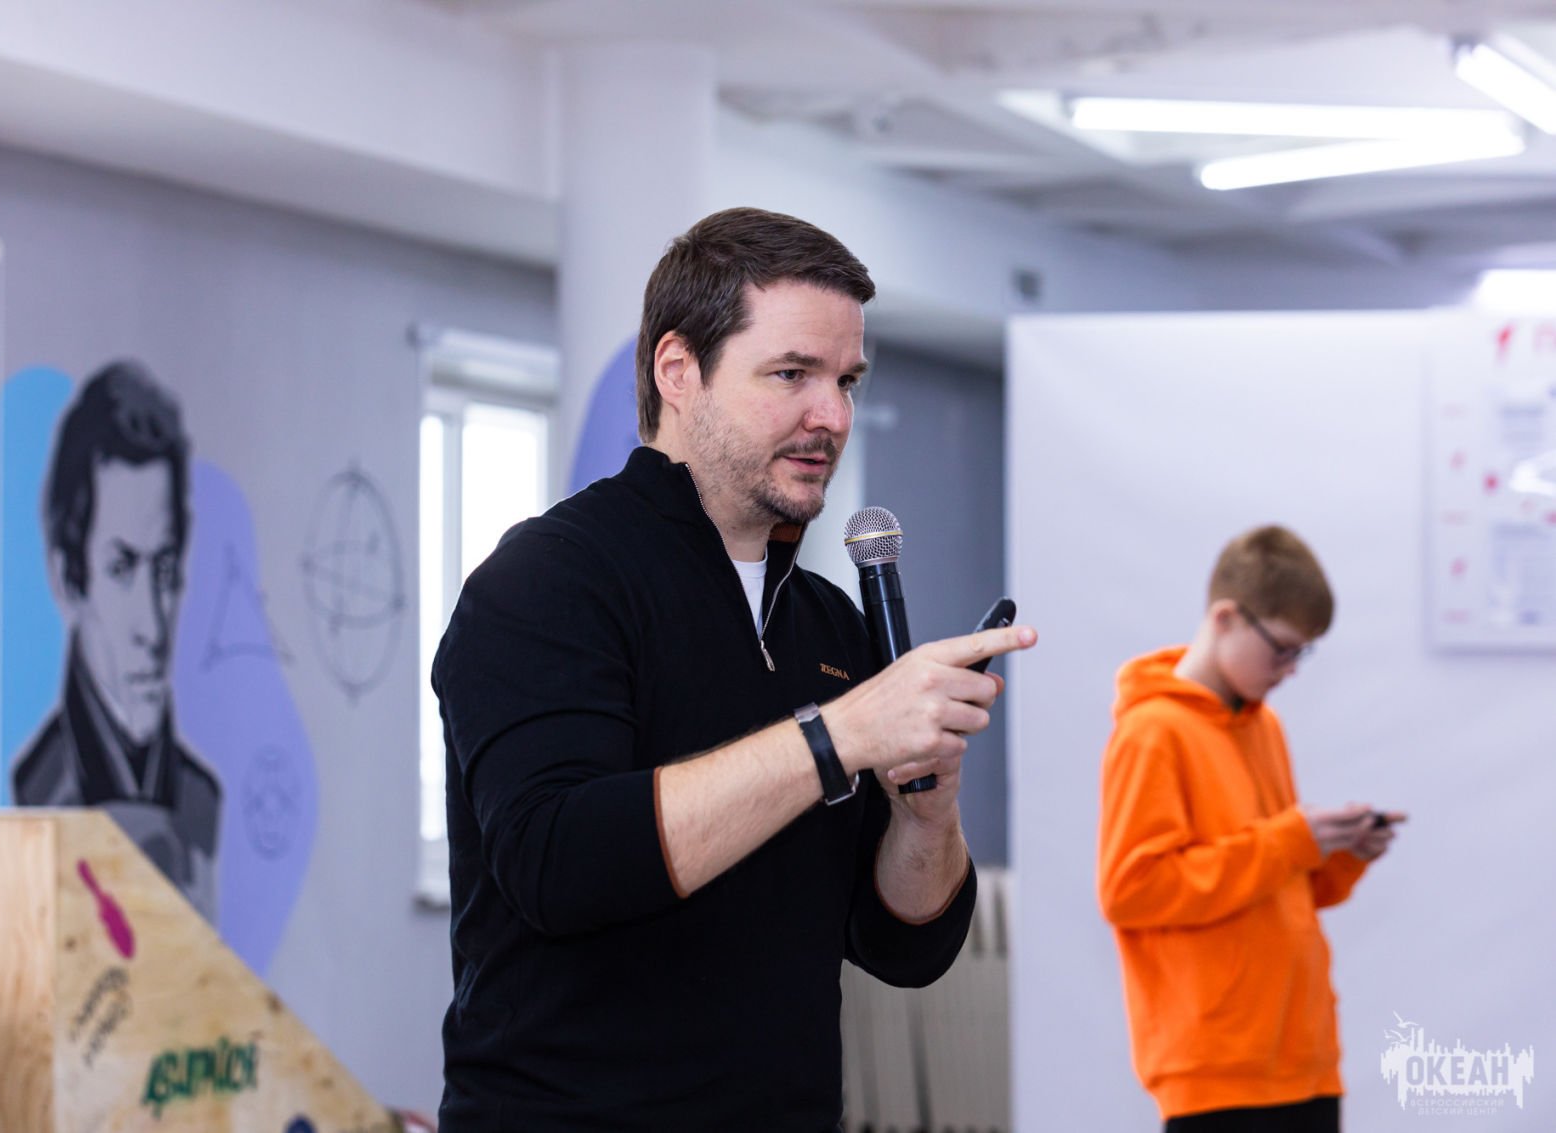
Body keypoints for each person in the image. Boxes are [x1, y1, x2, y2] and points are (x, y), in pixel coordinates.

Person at [432, 207, 1036, 1131]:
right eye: (792, 374)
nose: (831, 416)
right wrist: (836, 737)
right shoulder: (549, 579)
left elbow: (901, 947)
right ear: (678, 371)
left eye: (846, 381)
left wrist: (927, 810)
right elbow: (558, 862)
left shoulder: (827, 621)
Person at [1097, 526, 1405, 1132]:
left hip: (1304, 1059)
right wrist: (1293, 839)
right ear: (1226, 618)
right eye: (1283, 649)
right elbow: (1133, 889)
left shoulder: (1265, 728)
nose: (1290, 670)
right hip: (1217, 1070)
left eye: (1301, 654)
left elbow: (1280, 885)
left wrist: (1344, 853)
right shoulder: (1152, 732)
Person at [12, 360, 221, 922]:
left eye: (165, 569)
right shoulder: (36, 789)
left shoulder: (201, 798)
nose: (153, 625)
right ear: (68, 580)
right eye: (122, 568)